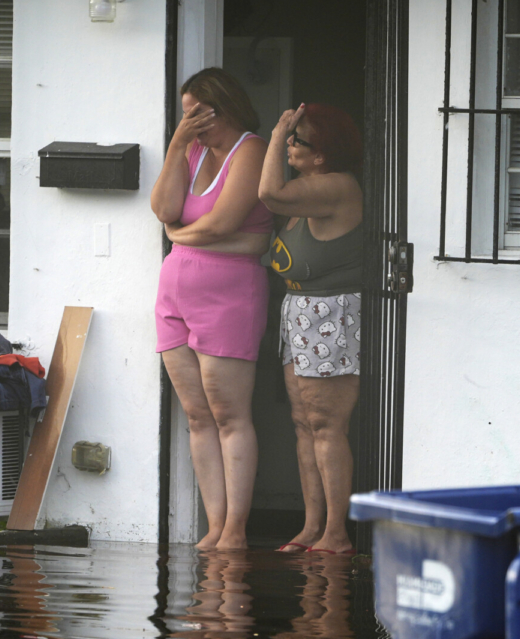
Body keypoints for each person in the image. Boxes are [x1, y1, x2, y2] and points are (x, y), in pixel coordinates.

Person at [150, 68, 273, 551]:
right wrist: (177, 146)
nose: (189, 122)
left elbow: (222, 223)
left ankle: (237, 530)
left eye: (194, 114)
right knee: (196, 416)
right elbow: (163, 208)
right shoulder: (193, 149)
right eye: (185, 116)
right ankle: (215, 526)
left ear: (218, 108)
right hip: (175, 296)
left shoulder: (252, 149)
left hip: (228, 298)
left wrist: (179, 235)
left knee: (229, 413)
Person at [258, 103, 364, 556]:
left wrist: (275, 130)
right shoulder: (306, 191)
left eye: (297, 139)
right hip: (298, 311)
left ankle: (336, 534)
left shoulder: (336, 187)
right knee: (304, 425)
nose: (288, 144)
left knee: (326, 424)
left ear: (321, 154)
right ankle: (311, 527)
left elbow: (267, 193)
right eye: (289, 136)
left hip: (330, 313)